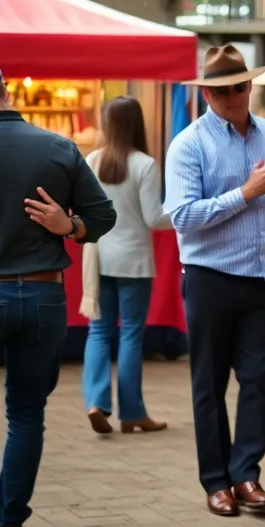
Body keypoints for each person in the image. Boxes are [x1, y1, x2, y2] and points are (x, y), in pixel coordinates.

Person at [164, 45, 265, 517]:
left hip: (263, 279)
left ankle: (246, 474)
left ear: (251, 86)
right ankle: (216, 482)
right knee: (208, 384)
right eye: (221, 89)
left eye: (239, 86)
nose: (232, 95)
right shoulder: (188, 144)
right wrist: (246, 193)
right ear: (206, 93)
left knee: (257, 381)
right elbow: (183, 217)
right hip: (210, 277)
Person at [0, 69, 116, 527]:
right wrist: (69, 226)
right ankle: (10, 518)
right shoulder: (57, 147)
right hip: (43, 293)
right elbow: (102, 216)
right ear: (6, 88)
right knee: (27, 415)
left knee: (26, 414)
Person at [81, 96, 171, 435]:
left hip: (98, 257)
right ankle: (132, 413)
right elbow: (153, 219)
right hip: (134, 261)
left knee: (99, 332)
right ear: (137, 123)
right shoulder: (145, 164)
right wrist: (184, 213)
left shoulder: (92, 159)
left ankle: (96, 402)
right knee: (131, 335)